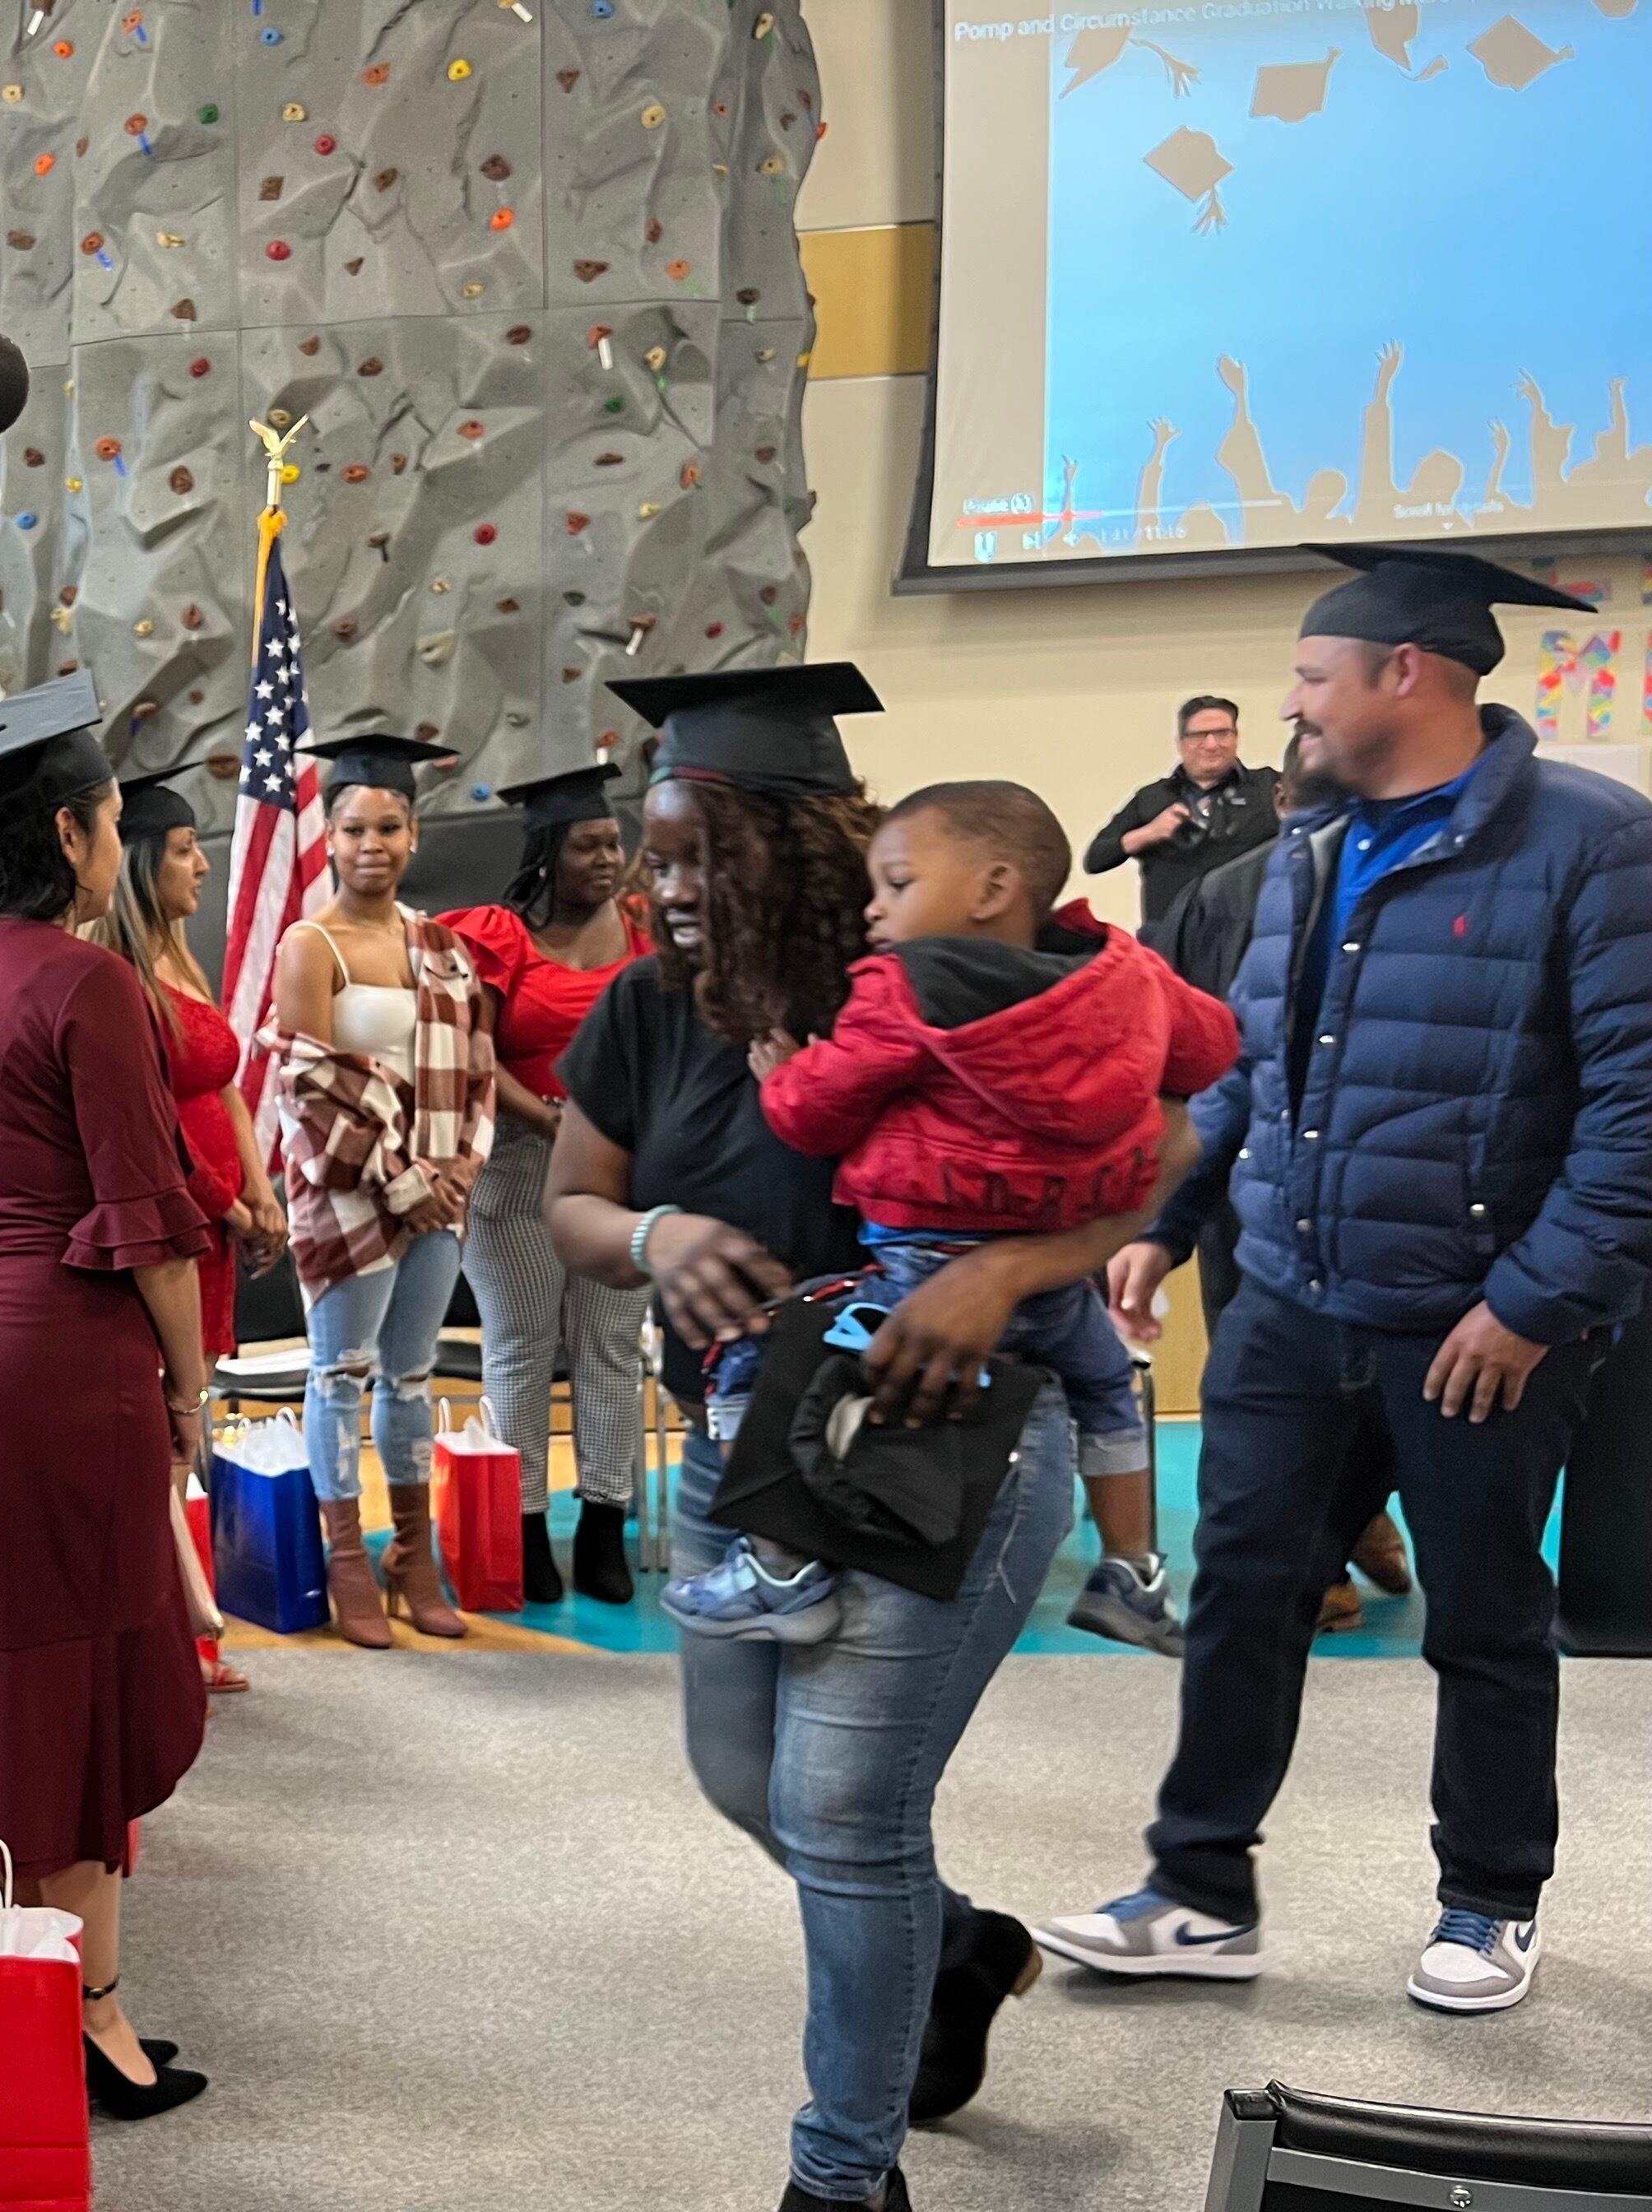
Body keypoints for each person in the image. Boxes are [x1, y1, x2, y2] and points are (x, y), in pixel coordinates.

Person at [543, 664, 1200, 2212]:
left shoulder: (947, 969)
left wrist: (1003, 1267)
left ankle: (841, 2179)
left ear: (806, 848)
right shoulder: (646, 1003)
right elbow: (575, 1202)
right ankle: (957, 1943)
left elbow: (1165, 1139)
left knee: (842, 1815)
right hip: (738, 1449)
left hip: (943, 1439)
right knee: (742, 1778)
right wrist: (652, 1236)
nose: (671, 888)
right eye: (657, 854)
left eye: (705, 854)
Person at [1043, 547, 1652, 2016]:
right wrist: (1165, 1216)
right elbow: (1256, 1066)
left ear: (1405, 674)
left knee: (1482, 1611)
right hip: (1294, 1300)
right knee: (1243, 1588)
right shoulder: (1307, 852)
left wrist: (1530, 1301)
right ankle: (1197, 1890)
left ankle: (1486, 1896)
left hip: (1476, 1321)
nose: (1287, 708)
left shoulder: (1594, 842)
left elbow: (1638, 1104)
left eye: (1310, 679)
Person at [663, 783, 1233, 1646]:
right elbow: (1213, 1045)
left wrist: (782, 1072)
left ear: (991, 888)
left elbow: (815, 1115)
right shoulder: (1128, 969)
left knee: (752, 1350)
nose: (873, 909)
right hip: (1056, 1279)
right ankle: (1132, 1572)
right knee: (1109, 1392)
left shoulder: (904, 991)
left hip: (917, 1277)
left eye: (895, 884)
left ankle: (782, 1570)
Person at [0, 673, 215, 2118]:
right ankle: (90, 2018)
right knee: (75, 1690)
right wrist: (195, 1392)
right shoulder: (88, 982)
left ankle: (50, 1985)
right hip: (67, 1366)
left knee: (25, 1679)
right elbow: (145, 1216)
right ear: (82, 833)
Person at [1134, 736, 1413, 1635]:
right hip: (1245, 1174)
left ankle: (1353, 1522)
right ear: (1281, 799)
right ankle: (1328, 1549)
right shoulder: (1228, 891)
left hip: (1365, 1186)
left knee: (1364, 1382)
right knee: (1270, 1386)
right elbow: (1190, 1038)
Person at [266, 734, 499, 1647]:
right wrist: (402, 1182)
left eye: (391, 827)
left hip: (440, 1193)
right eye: (356, 826)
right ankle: (347, 1561)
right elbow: (306, 1085)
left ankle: (413, 1553)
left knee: (411, 1375)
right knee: (341, 1376)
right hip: (352, 1197)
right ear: (329, 836)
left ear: (415, 833)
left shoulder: (441, 946)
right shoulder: (308, 944)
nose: (374, 844)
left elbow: (477, 1069)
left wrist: (457, 1173)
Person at [439, 763, 655, 1606]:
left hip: (621, 1163)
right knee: (522, 1345)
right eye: (586, 846)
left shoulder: (641, 928)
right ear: (545, 852)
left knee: (610, 1346)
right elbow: (476, 1054)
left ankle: (606, 1519)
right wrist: (549, 1122)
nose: (607, 859)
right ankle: (522, 1523)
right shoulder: (498, 935)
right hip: (522, 1159)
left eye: (613, 842)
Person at [91, 765, 281, 1694]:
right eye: (182, 849)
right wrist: (228, 1202)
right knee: (166, 1436)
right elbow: (154, 1127)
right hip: (176, 1225)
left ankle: (178, 1633)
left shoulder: (178, 954)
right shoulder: (117, 975)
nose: (202, 865)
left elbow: (223, 1087)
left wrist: (263, 1185)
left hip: (219, 1223)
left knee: (185, 1434)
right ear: (136, 863)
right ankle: (168, 1642)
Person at [1083, 695, 1282, 925]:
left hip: (1247, 933)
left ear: (1236, 737)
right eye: (1199, 736)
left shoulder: (1270, 788)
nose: (1211, 744)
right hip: (1169, 937)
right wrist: (1149, 834)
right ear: (1181, 742)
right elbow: (1095, 859)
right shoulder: (1153, 797)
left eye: (1222, 733)